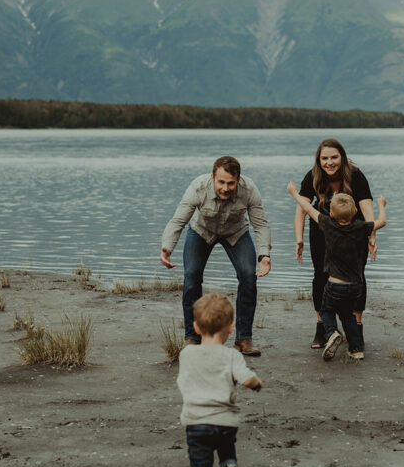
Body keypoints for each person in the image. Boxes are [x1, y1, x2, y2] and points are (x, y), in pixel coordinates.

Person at [161, 155, 271, 356]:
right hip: (201, 231)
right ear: (213, 178)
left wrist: (264, 255)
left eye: (231, 183)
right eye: (221, 182)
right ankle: (193, 338)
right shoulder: (198, 188)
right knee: (192, 277)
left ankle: (243, 339)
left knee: (248, 276)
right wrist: (167, 247)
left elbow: (260, 224)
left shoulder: (250, 190)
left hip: (235, 232)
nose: (225, 188)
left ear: (238, 180)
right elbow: (178, 221)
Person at [177, 292, 263, 467]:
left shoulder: (186, 354)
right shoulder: (232, 355)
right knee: (226, 446)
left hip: (196, 422)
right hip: (225, 421)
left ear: (196, 327)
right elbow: (246, 379)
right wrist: (256, 383)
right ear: (231, 327)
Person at [287, 185, 387, 361]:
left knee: (326, 310)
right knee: (347, 315)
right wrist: (381, 205)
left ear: (331, 214)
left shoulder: (328, 225)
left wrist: (295, 194)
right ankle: (356, 349)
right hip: (355, 285)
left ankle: (332, 333)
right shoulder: (361, 227)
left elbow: (309, 209)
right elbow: (381, 222)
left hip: (334, 284)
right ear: (356, 211)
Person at [293, 139, 376, 349]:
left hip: (353, 232)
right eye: (325, 158)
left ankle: (356, 329)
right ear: (319, 160)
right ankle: (323, 329)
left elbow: (366, 207)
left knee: (357, 275)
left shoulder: (355, 175)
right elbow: (301, 209)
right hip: (322, 232)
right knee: (320, 274)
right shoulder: (312, 176)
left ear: (342, 157)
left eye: (334, 157)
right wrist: (299, 238)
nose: (330, 162)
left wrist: (371, 235)